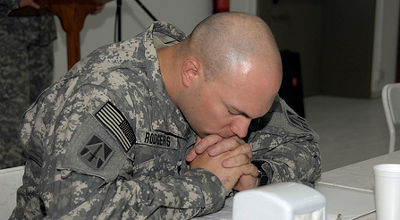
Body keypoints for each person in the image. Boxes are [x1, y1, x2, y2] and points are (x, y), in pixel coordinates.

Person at [10, 12, 321, 219]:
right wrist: (205, 184)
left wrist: (254, 172)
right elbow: (75, 209)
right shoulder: (105, 94)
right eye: (235, 112)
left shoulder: (235, 85)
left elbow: (307, 149)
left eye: (254, 116)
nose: (242, 130)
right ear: (191, 73)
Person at [0, 0, 56, 169]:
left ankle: (34, 189)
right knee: (11, 126)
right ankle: (6, 192)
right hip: (7, 36)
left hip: (41, 31)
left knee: (41, 119)